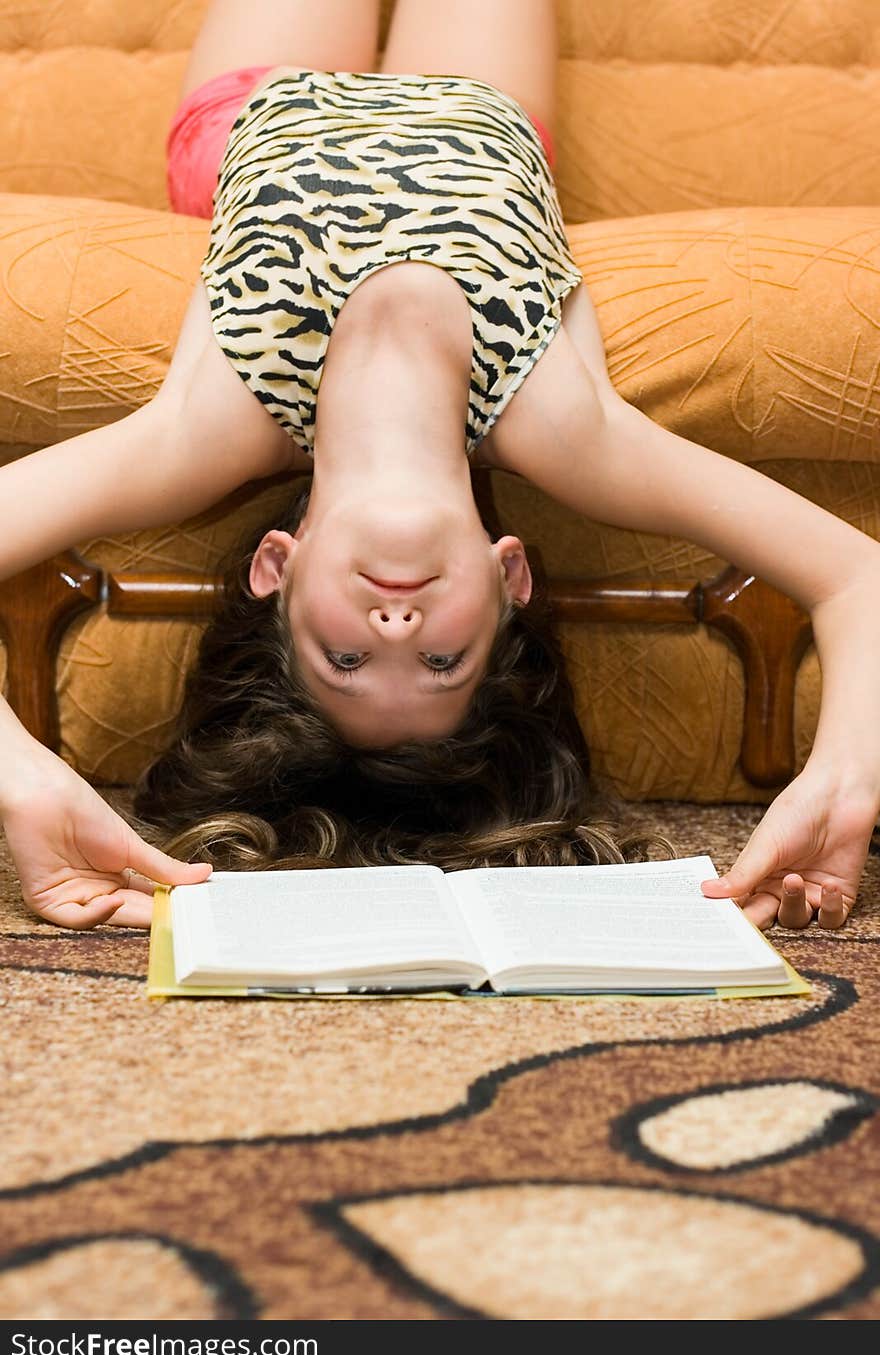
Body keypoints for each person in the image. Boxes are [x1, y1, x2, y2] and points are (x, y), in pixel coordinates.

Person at [1, 0, 877, 935]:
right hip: (481, 108)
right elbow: (857, 576)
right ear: (510, 579)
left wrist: (19, 780)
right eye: (440, 659)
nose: (395, 624)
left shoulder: (207, 429)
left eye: (346, 659)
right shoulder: (570, 433)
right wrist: (848, 780)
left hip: (257, 109)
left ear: (276, 570)